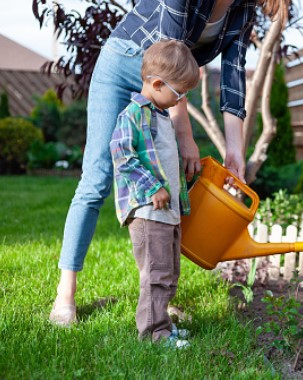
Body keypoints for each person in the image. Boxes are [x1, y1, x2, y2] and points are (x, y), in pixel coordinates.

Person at [49, 0, 289, 326]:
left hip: (169, 88)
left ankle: (155, 302)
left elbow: (233, 81)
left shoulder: (241, 12)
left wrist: (235, 152)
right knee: (98, 176)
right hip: (124, 65)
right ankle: (65, 295)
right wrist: (184, 136)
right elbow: (166, 52)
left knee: (169, 185)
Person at [109, 39, 198, 346]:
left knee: (169, 273)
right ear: (158, 83)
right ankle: (153, 335)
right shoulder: (134, 115)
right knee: (155, 274)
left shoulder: (160, 115)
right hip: (149, 213)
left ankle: (162, 324)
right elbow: (121, 155)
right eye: (179, 92)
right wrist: (153, 187)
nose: (182, 99)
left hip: (167, 213)